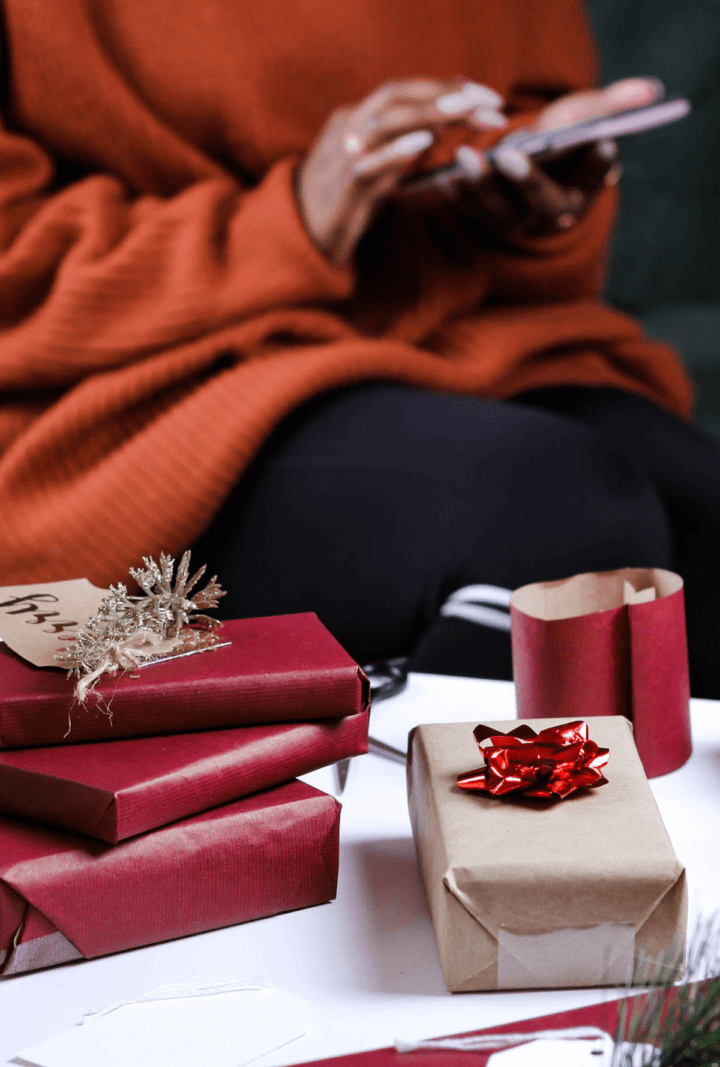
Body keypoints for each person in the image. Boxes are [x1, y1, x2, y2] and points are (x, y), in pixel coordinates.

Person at [0, 0, 717, 694]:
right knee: (558, 515)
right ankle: (438, 811)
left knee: (699, 518)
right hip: (123, 405)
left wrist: (527, 192)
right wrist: (285, 227)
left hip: (455, 333)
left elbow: (524, 116)